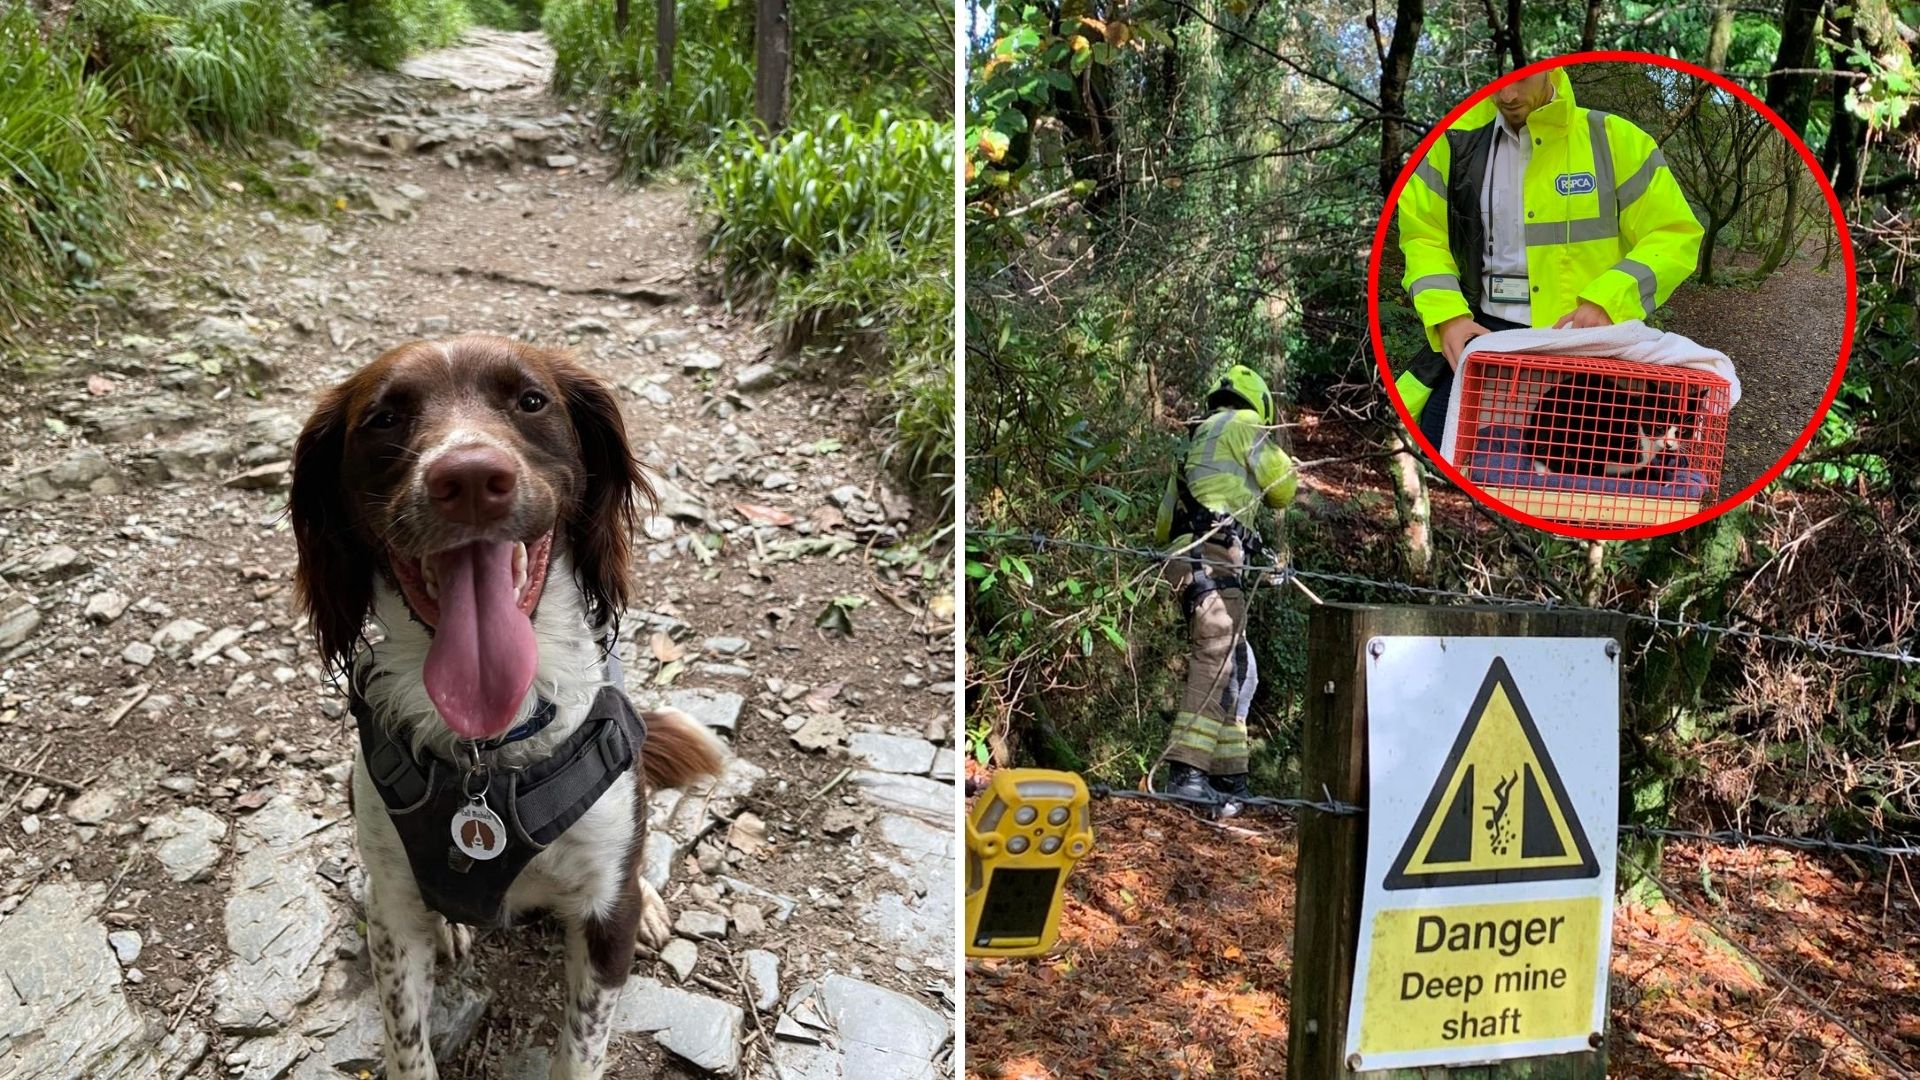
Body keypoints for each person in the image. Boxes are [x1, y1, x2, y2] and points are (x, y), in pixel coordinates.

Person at [1394, 64, 1704, 451]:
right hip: (1486, 332)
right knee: (1440, 434)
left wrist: (1608, 300)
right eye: (1497, 83)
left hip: (1585, 340)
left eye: (1521, 79)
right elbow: (1424, 236)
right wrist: (1449, 317)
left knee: (1589, 468)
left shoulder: (1616, 141)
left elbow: (1675, 233)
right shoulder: (1452, 143)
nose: (1507, 96)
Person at [1152, 364, 1296, 813]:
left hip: (1185, 559)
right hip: (1214, 557)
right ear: (1259, 402)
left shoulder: (1193, 442)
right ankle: (1186, 774)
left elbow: (1161, 526)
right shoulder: (1247, 425)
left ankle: (1229, 778)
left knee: (1240, 666)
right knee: (1217, 655)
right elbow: (1283, 490)